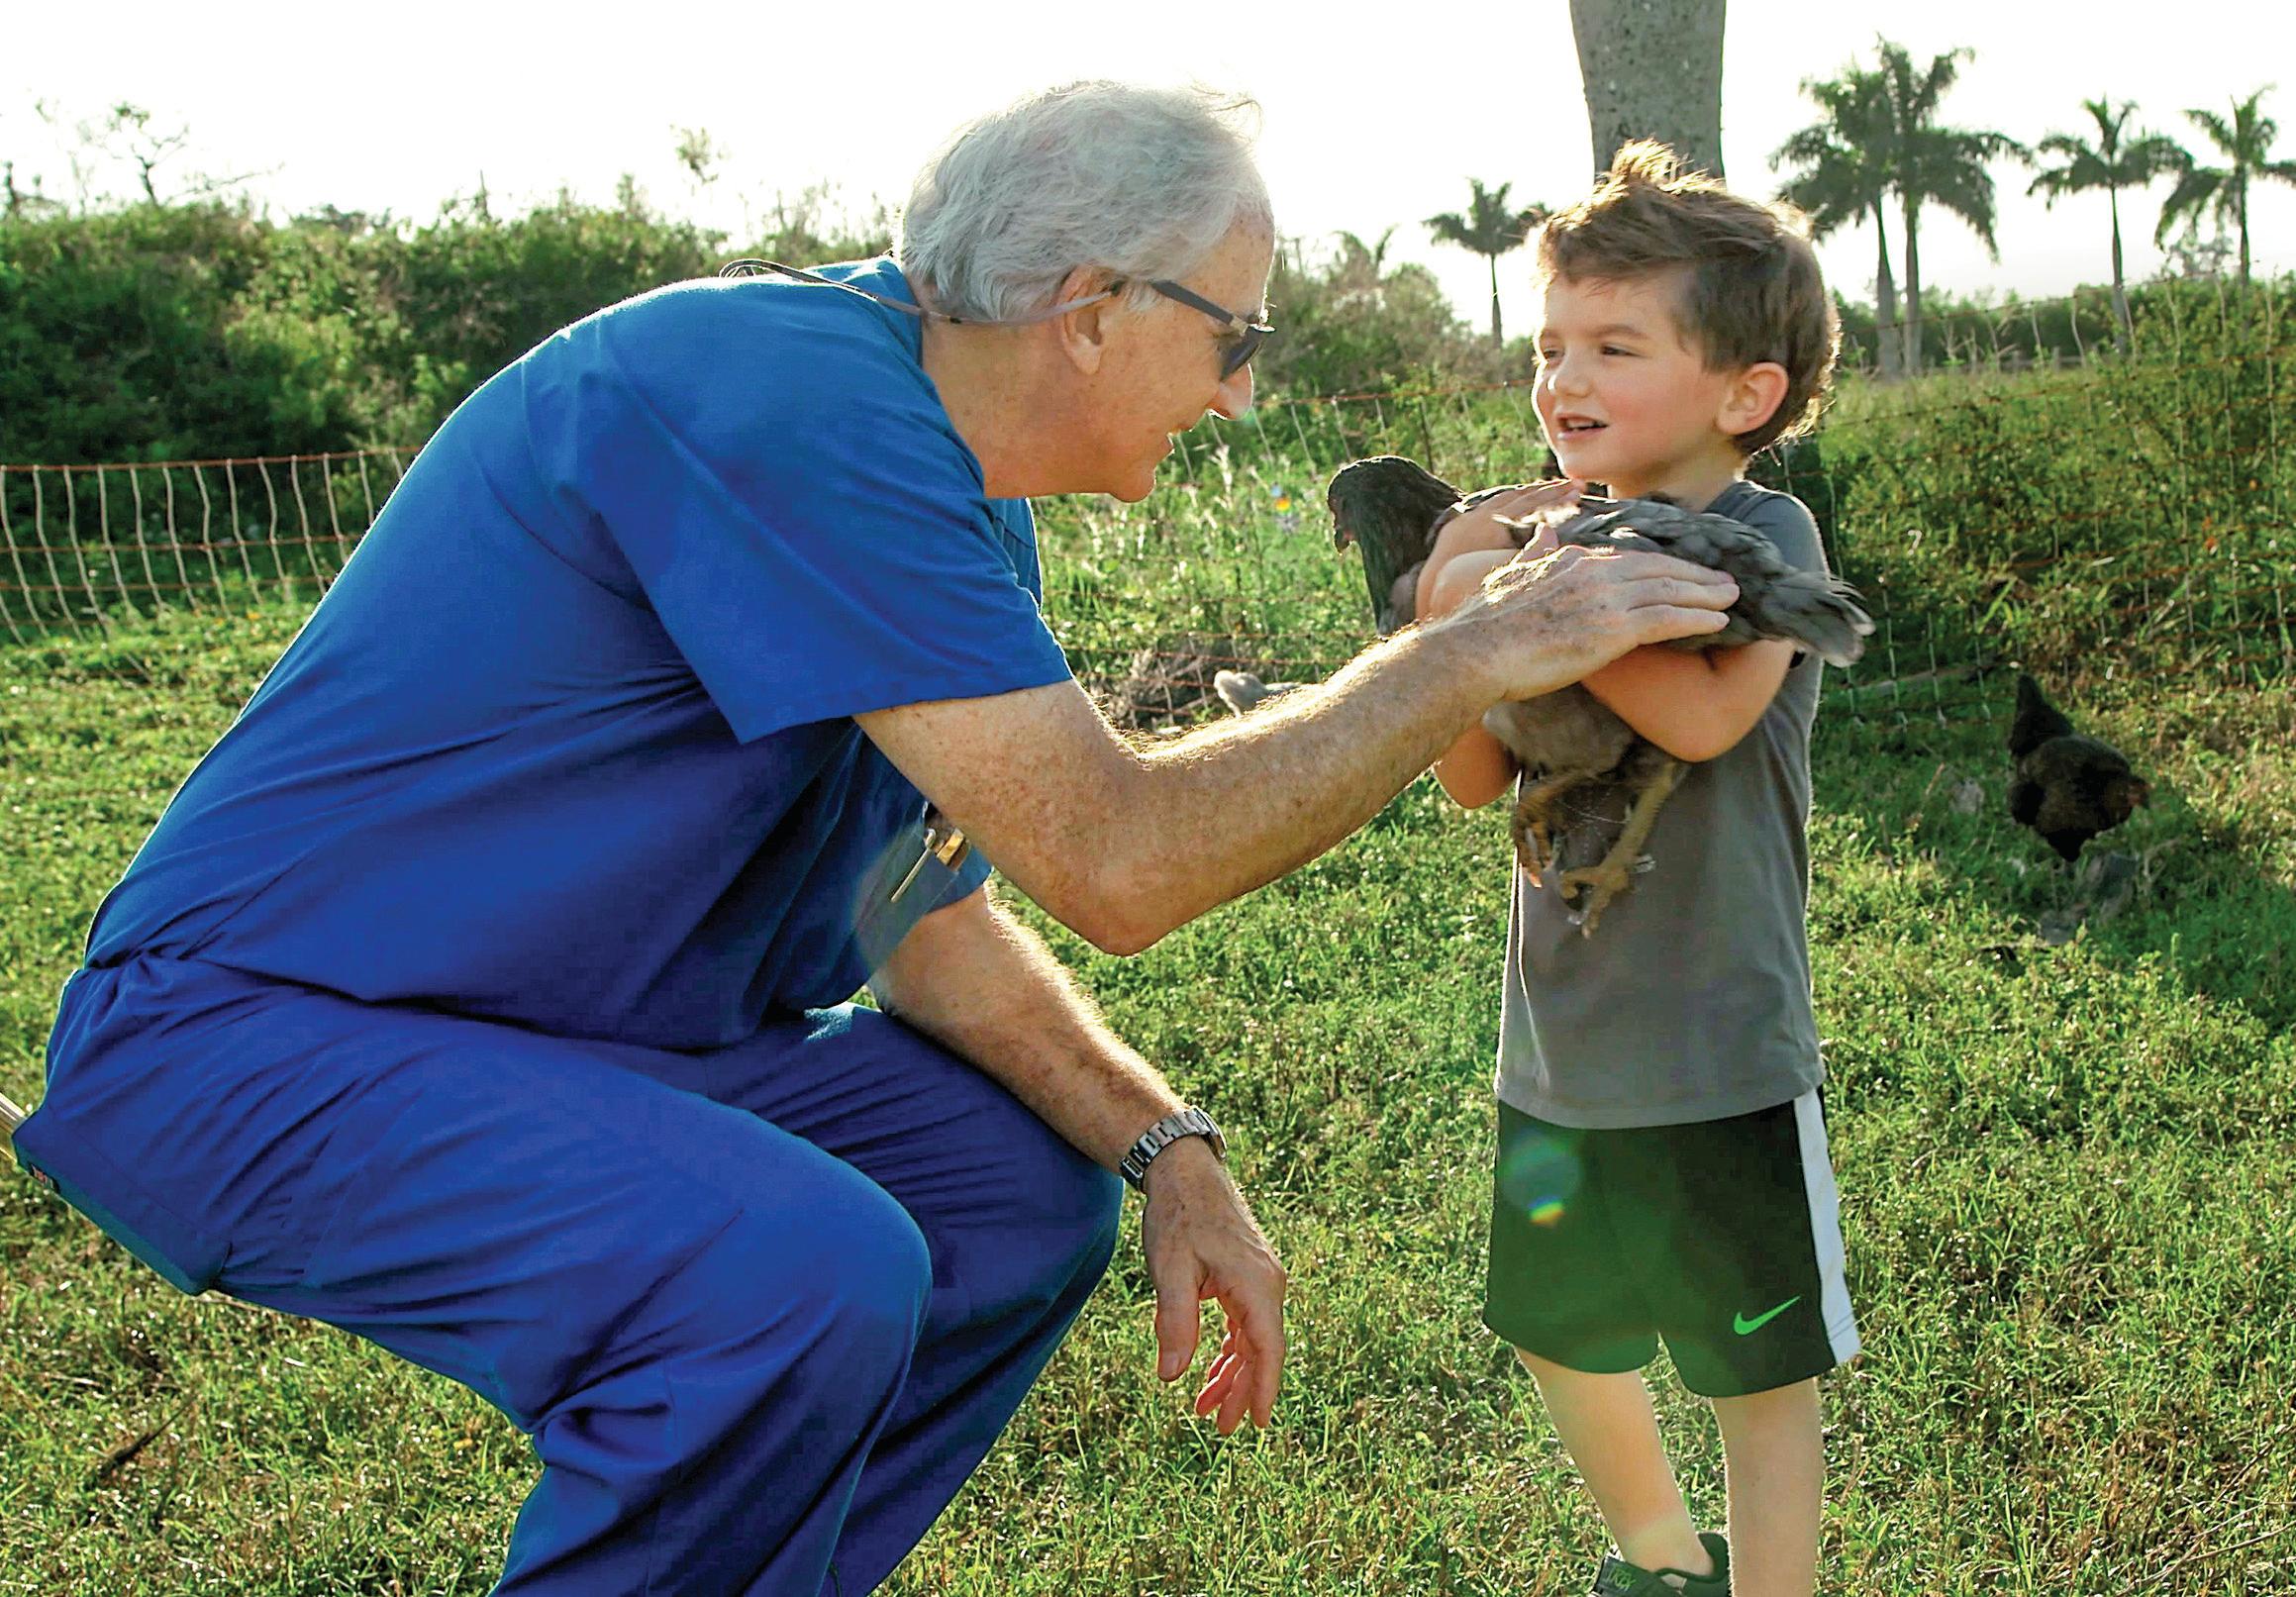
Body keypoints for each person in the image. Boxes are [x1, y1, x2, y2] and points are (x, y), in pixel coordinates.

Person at [9, 88, 1740, 1596]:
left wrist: (1167, 1148)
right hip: (246, 1045)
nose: (1236, 397)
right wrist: (1463, 652)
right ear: (1089, 308)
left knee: (1010, 1188)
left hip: (562, 1051)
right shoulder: (784, 404)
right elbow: (1119, 860)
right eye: (1237, 337)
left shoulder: (954, 488)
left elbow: (919, 913)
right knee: (801, 1265)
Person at [1413, 144, 1858, 1597]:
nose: (1561, 378)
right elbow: (1475, 772)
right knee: (1555, 1323)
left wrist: (1531, 590)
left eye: (1614, 344)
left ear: (1746, 395)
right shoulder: (1534, 540)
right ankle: (1663, 1561)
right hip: (1557, 1053)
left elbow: (1709, 713)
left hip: (1719, 1046)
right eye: (1549, 346)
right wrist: (1457, 618)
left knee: (1754, 1360)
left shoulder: (1761, 535)